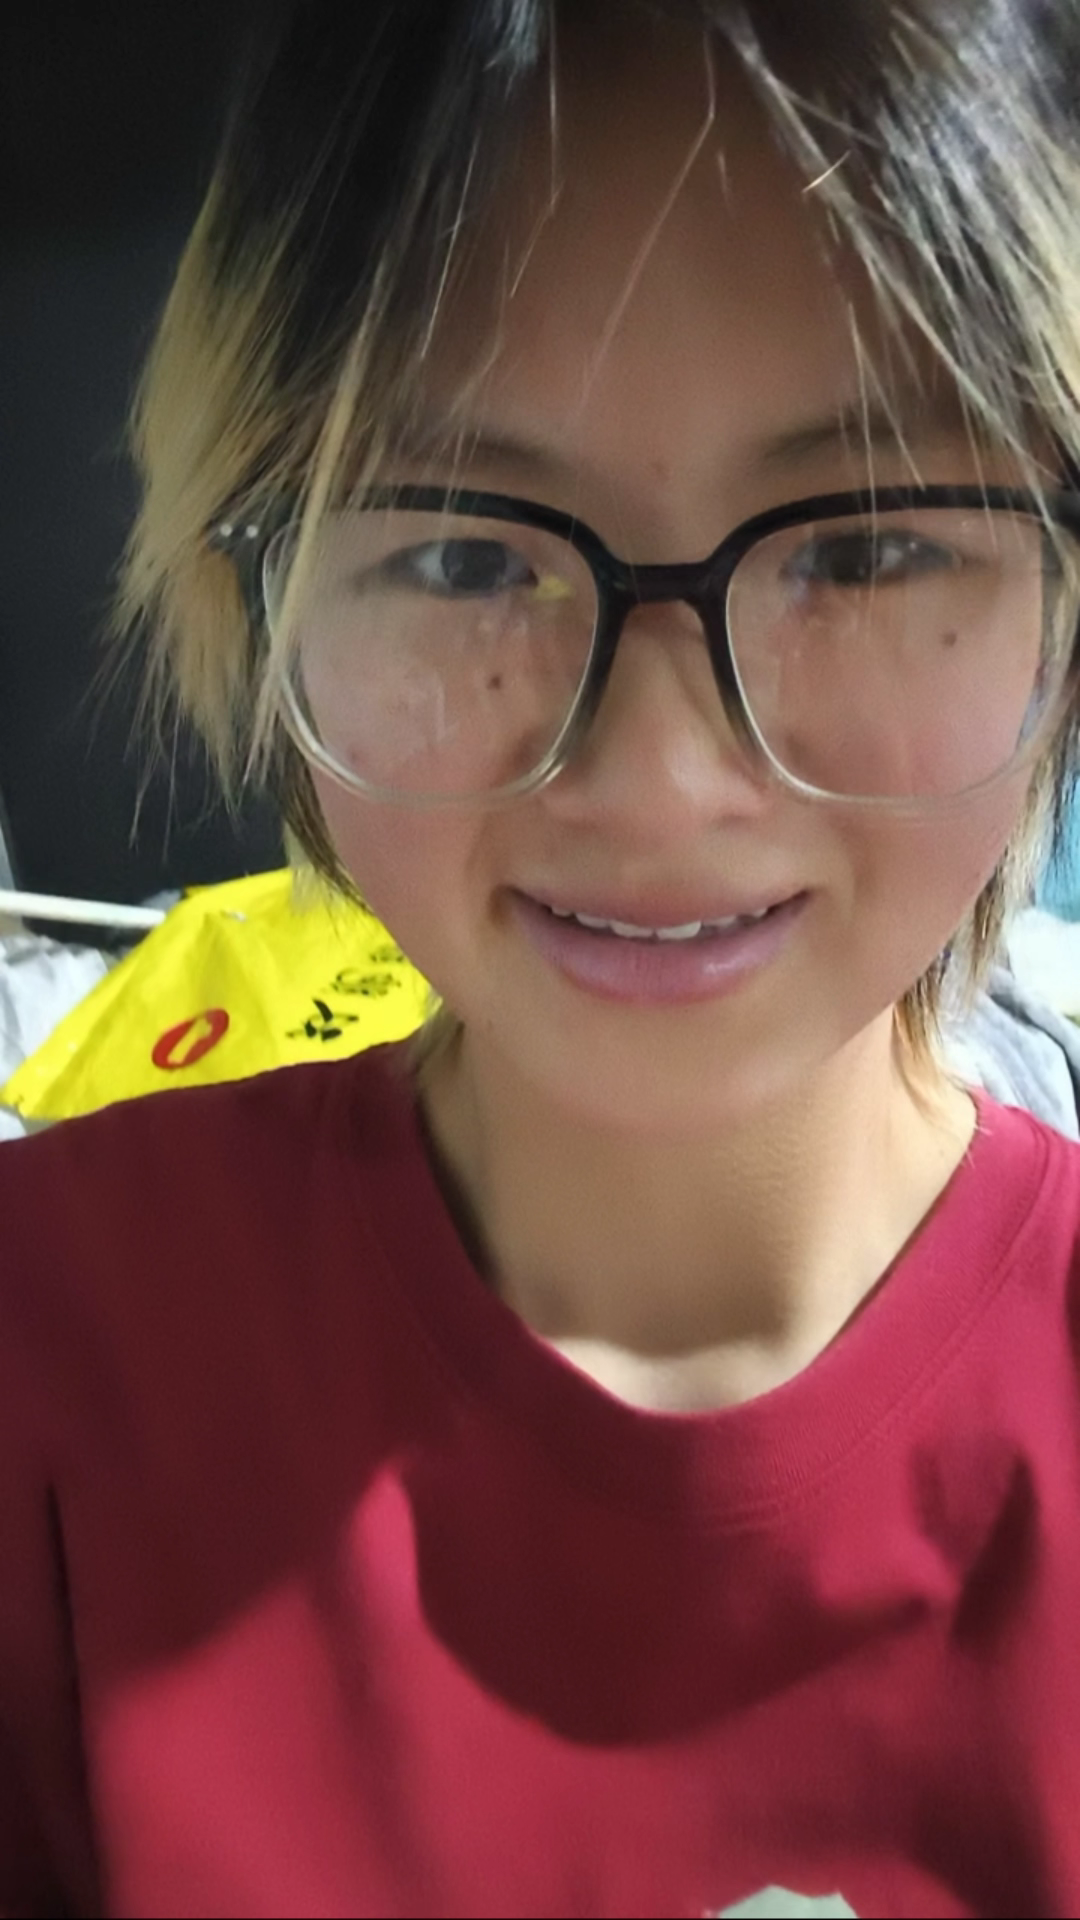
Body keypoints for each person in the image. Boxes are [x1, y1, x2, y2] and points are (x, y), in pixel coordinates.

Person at [3, 2, 1080, 1915]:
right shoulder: (50, 1353)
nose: (661, 785)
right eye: (465, 557)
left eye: (866, 550)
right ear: (261, 587)